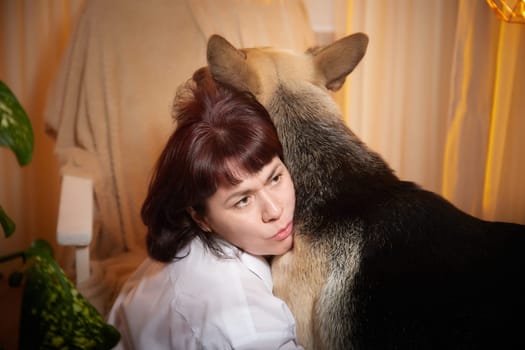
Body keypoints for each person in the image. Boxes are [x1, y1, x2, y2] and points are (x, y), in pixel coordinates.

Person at [107, 67, 302, 349]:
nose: (274, 210)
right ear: (201, 218)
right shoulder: (243, 322)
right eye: (243, 200)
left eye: (275, 177)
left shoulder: (187, 242)